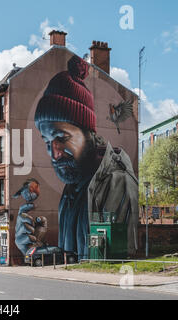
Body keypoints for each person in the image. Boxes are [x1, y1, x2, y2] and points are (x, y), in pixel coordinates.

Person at [16, 55, 138, 261]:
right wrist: (33, 246)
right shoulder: (75, 185)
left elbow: (112, 258)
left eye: (62, 138)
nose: (54, 154)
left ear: (89, 133)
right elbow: (71, 257)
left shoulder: (118, 182)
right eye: (47, 142)